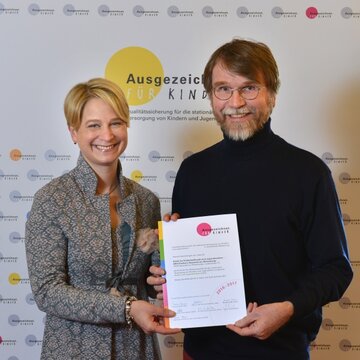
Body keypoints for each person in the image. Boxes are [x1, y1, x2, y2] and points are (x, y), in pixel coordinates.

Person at [147, 39, 353, 359]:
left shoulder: (308, 173)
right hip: (201, 352)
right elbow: (191, 264)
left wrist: (287, 309)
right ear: (212, 97)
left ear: (271, 94)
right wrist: (168, 274)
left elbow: (336, 269)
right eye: (223, 89)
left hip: (280, 351)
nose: (236, 101)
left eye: (249, 88)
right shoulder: (192, 171)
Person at [25, 78, 180, 360]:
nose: (107, 135)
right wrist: (127, 308)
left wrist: (173, 255)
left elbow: (149, 284)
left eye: (116, 123)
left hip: (136, 349)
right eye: (93, 125)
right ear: (74, 132)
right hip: (73, 349)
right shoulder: (52, 199)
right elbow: (47, 291)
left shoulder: (147, 201)